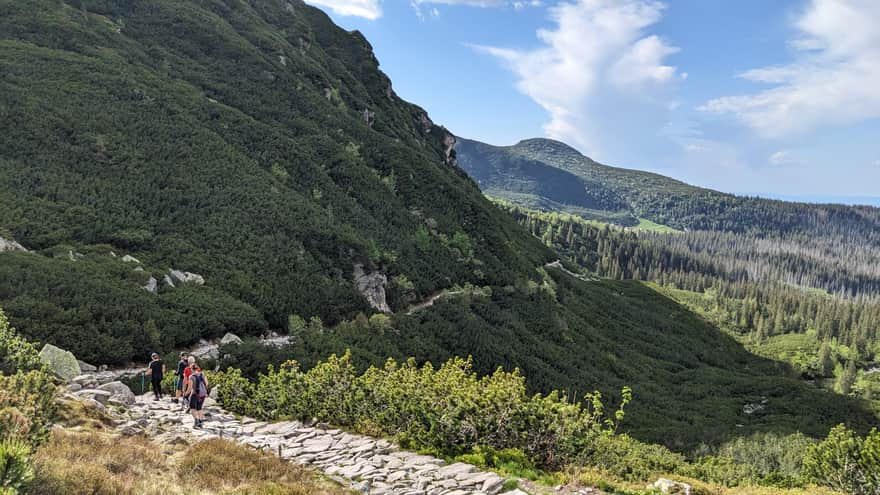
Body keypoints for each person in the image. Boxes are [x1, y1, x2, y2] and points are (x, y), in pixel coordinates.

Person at [185, 358, 209, 428]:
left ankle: (196, 421)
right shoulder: (202, 374)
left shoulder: (191, 377)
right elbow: (207, 383)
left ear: (191, 369)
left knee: (192, 408)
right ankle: (201, 422)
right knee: (199, 408)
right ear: (197, 368)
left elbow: (190, 388)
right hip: (202, 394)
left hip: (195, 394)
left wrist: (186, 394)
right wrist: (205, 391)